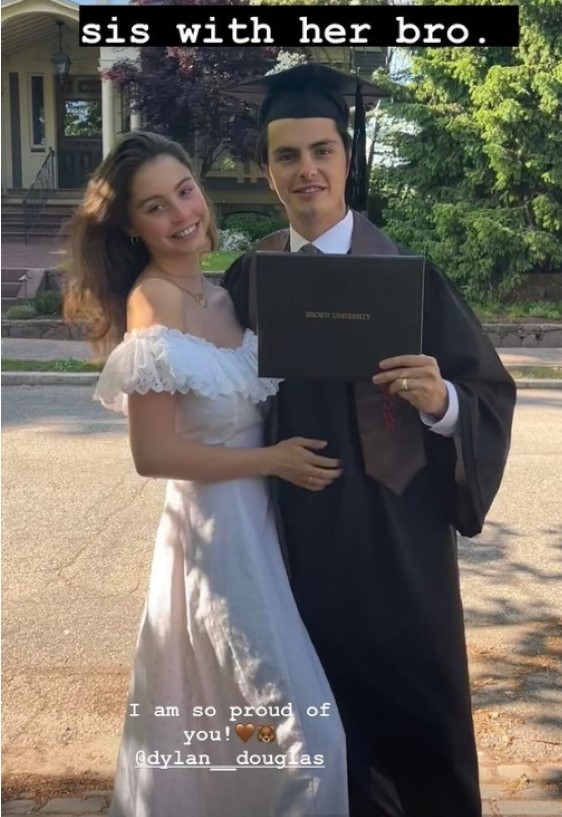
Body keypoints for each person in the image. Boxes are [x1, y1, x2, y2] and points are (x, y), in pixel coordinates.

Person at [222, 63, 517, 817]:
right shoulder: (250, 277)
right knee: (315, 719)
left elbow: (488, 391)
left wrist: (442, 402)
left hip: (397, 536)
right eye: (287, 155)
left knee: (417, 714)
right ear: (267, 170)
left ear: (348, 159)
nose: (307, 169)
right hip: (292, 533)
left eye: (322, 150)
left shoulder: (409, 277)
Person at [63, 130, 351, 817]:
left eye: (185, 191)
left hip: (267, 535)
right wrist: (271, 461)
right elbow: (153, 455)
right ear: (132, 227)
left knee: (235, 728)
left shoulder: (224, 296)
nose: (181, 213)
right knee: (307, 740)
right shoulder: (152, 303)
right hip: (215, 546)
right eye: (155, 206)